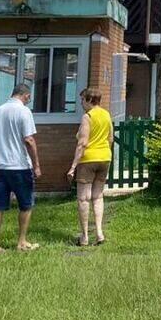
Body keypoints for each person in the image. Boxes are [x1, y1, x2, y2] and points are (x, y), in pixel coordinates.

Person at [0, 83, 42, 254]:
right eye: (28, 97)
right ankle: (22, 242)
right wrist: (36, 165)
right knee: (26, 205)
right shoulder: (24, 112)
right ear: (25, 95)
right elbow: (29, 140)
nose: (29, 100)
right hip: (20, 166)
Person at [67, 88, 112, 246]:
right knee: (98, 196)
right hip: (105, 157)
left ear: (89, 100)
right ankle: (100, 233)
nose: (81, 103)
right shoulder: (106, 114)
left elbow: (82, 143)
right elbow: (110, 138)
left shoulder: (87, 117)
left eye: (82, 100)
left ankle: (85, 236)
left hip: (88, 159)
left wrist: (73, 166)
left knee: (83, 198)